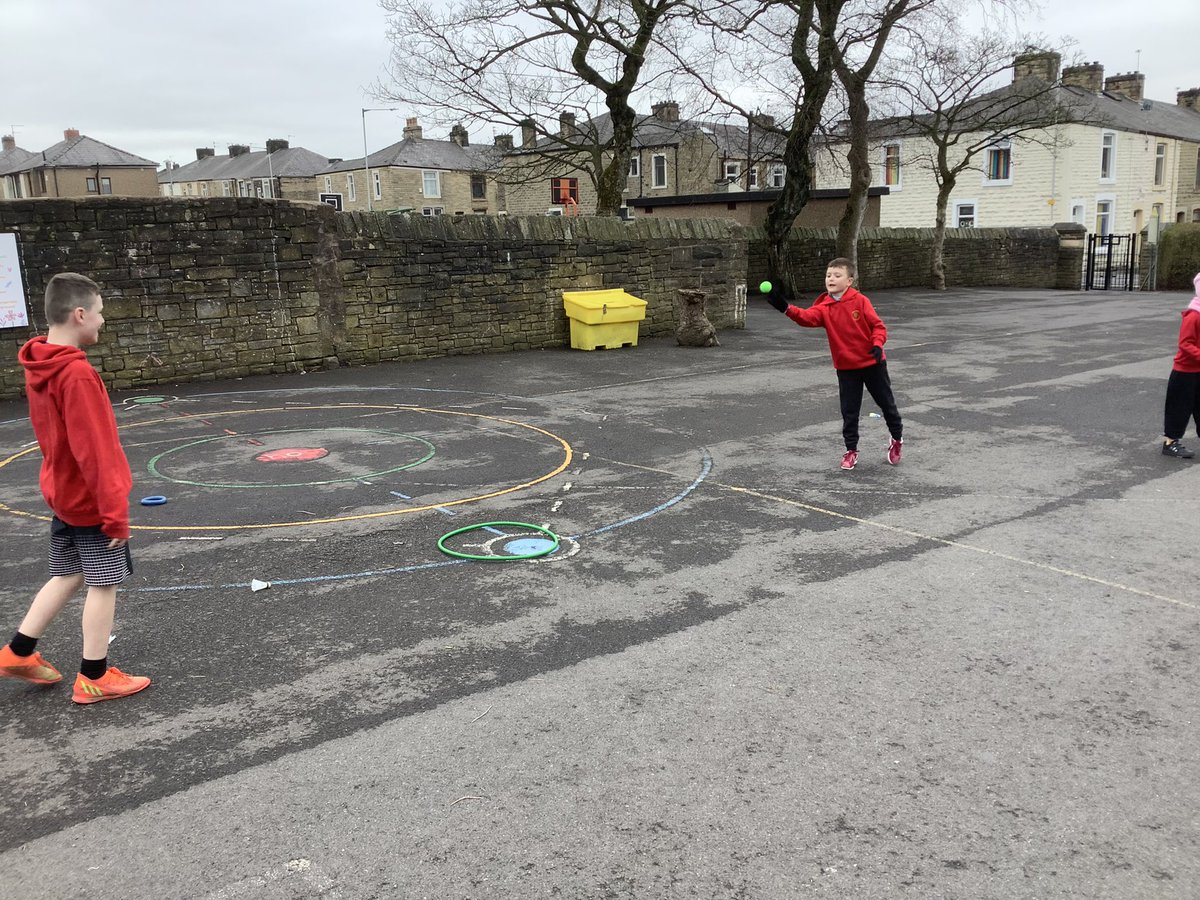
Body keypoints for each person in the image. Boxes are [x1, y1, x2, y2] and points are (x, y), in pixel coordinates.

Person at [0, 273, 150, 704]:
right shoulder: (77, 375)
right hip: (88, 500)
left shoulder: (40, 362)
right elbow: (96, 452)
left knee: (67, 573)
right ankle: (94, 676)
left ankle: (18, 651)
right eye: (100, 312)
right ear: (80, 314)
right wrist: (114, 513)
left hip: (62, 494)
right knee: (104, 584)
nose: (102, 321)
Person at [762, 258, 904, 470]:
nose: (831, 279)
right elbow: (806, 317)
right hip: (846, 367)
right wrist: (784, 307)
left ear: (849, 281)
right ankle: (851, 451)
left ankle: (897, 439)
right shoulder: (825, 306)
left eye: (837, 275)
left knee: (887, 405)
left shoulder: (860, 301)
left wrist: (877, 344)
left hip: (872, 363)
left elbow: (878, 326)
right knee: (849, 411)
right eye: (829, 275)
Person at [1161, 271, 1200, 460]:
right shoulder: (1193, 315)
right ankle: (1170, 442)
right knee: (1179, 407)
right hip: (1185, 371)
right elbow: (1185, 344)